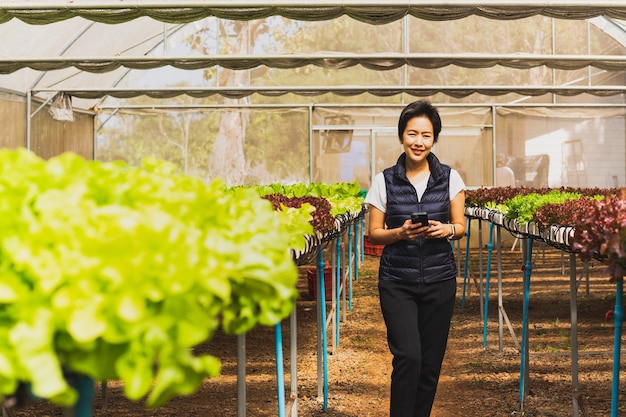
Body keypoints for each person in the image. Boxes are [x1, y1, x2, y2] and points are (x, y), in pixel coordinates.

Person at [364, 100, 466, 417]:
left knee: (430, 363)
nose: (418, 141)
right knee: (408, 356)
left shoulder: (450, 179)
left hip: (440, 281)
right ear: (401, 136)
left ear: (434, 139)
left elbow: (461, 226)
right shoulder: (384, 180)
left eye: (425, 135)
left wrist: (446, 229)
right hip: (397, 282)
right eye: (412, 134)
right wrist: (400, 233)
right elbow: (373, 232)